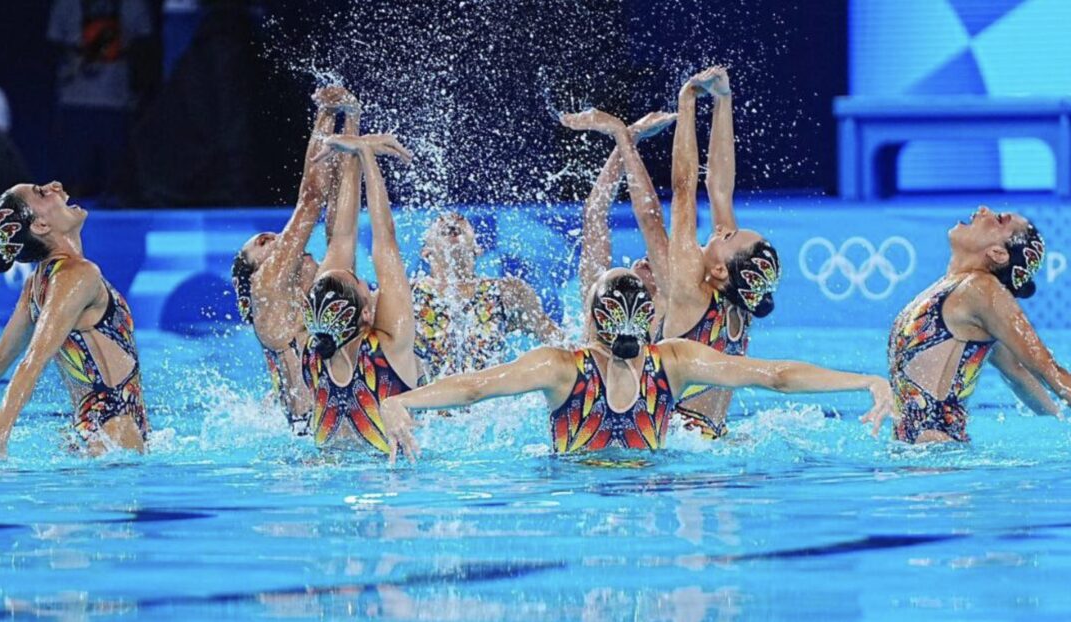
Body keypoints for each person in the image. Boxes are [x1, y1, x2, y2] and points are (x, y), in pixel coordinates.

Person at [378, 269, 891, 463]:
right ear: (649, 318)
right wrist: (865, 380)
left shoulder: (561, 367)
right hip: (660, 488)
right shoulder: (673, 360)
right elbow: (774, 375)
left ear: (592, 320)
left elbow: (474, 389)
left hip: (573, 498)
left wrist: (402, 398)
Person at [570, 68, 780, 441]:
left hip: (675, 444)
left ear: (719, 269)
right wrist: (723, 99)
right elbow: (720, 190)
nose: (723, 229)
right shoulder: (738, 301)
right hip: (713, 439)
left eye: (729, 236)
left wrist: (685, 102)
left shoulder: (687, 292)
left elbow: (680, 195)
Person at [0, 182, 147, 461]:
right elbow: (34, 359)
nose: (54, 186)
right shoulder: (78, 275)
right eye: (42, 193)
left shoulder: (37, 284)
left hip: (91, 435)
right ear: (41, 226)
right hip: (113, 437)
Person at [863, 206, 1070, 444]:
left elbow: (1049, 371)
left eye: (1000, 220)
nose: (983, 210)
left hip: (937, 462)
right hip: (924, 458)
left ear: (998, 253)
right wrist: (1058, 419)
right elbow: (1016, 372)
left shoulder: (981, 289)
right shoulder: (955, 289)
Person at [231, 86, 360, 434]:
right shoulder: (267, 290)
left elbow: (341, 222)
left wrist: (353, 127)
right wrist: (327, 111)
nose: (277, 240)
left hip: (354, 428)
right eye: (264, 242)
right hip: (312, 439)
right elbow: (311, 198)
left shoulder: (316, 297)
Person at [301, 132, 420, 454]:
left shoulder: (314, 351)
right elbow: (385, 241)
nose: (366, 278)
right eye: (361, 281)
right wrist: (367, 155)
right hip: (393, 485)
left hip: (325, 477)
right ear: (367, 313)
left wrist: (350, 153)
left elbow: (341, 239)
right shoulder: (389, 347)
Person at [562, 108, 677, 338]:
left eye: (659, 259)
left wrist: (621, 133)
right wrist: (630, 134)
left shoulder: (669, 313)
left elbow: (650, 218)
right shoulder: (600, 300)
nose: (648, 258)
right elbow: (594, 214)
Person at [412, 212, 561, 380]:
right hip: (429, 401)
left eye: (461, 219)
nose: (451, 219)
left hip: (487, 402)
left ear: (477, 249)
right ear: (425, 251)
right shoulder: (408, 296)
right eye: (439, 220)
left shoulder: (509, 292)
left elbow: (558, 342)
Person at [47, 0, 153, 197]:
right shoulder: (65, 4)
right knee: (73, 181)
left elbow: (143, 50)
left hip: (118, 103)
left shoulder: (134, 5)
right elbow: (54, 49)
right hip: (74, 102)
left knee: (120, 183)